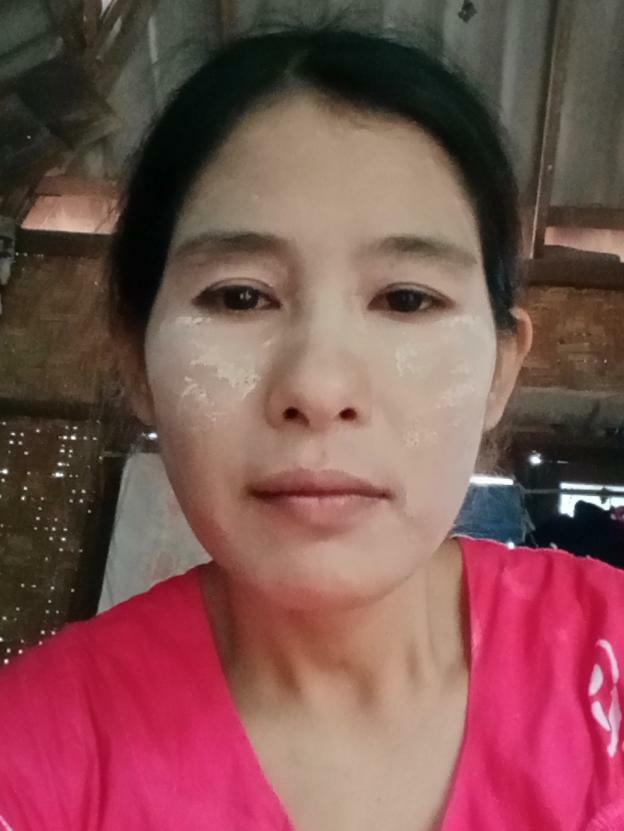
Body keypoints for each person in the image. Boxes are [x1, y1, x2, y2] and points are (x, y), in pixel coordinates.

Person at [1, 22, 623, 831]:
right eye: (239, 296)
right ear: (137, 362)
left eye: (406, 298)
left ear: (501, 370)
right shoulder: (34, 760)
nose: (319, 388)